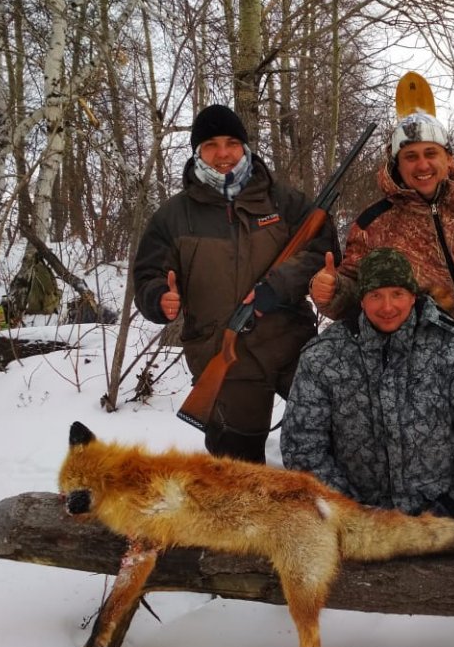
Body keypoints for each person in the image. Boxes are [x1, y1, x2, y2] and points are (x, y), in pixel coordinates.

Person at [307, 110, 454, 432]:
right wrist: (332, 291)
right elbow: (355, 294)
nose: (422, 165)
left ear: (448, 157)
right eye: (410, 156)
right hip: (419, 381)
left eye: (431, 153)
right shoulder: (373, 224)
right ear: (396, 164)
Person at [133, 104, 336, 463]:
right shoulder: (173, 216)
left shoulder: (285, 202)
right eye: (210, 145)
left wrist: (280, 284)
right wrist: (159, 298)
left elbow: (323, 250)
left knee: (333, 434)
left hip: (293, 347)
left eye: (231, 142)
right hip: (221, 353)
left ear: (245, 146)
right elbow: (148, 276)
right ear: (197, 152)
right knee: (237, 475)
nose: (223, 154)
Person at [281, 247, 454, 518]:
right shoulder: (323, 356)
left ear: (413, 297)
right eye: (375, 295)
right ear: (361, 300)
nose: (387, 307)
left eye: (397, 294)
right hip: (356, 522)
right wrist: (350, 510)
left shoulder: (450, 346)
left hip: (447, 518)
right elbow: (302, 446)